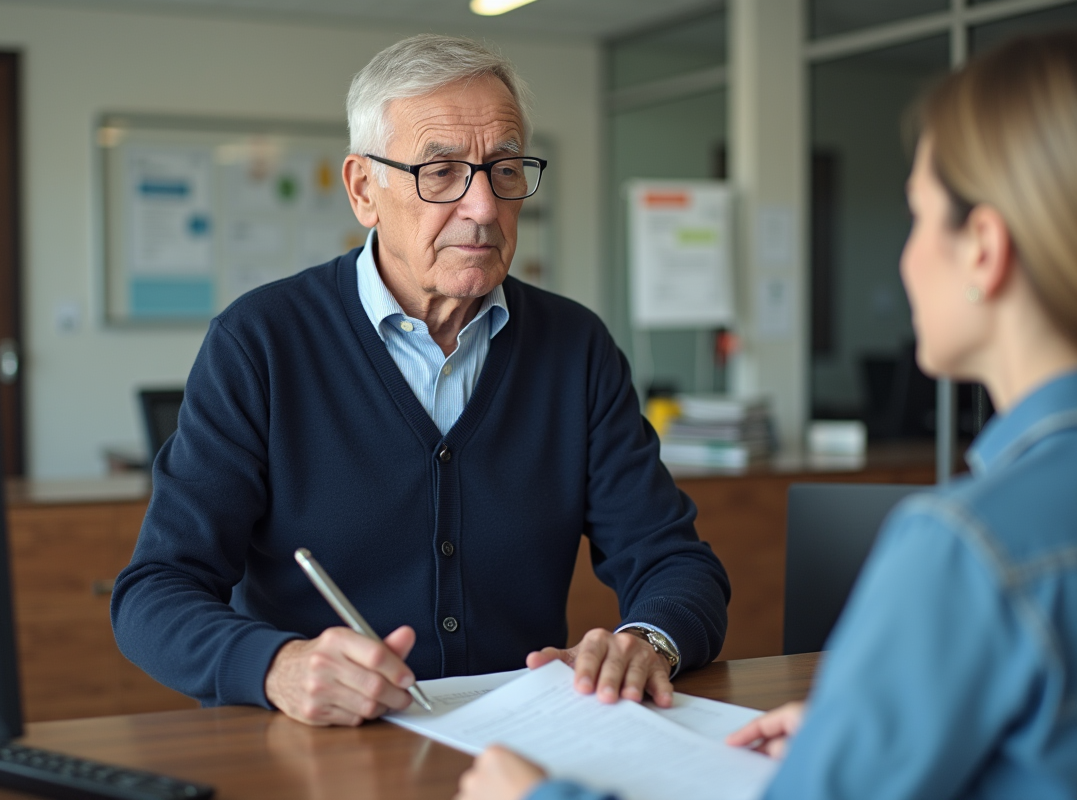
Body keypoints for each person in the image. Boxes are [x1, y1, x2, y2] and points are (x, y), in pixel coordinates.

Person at [455, 28, 1077, 800]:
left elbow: (675, 562)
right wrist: (862, 740)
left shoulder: (971, 549)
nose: (905, 258)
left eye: (918, 218)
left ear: (983, 248)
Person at [111, 34, 730, 728]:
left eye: (504, 169)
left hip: (518, 747)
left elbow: (675, 562)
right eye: (440, 172)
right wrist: (275, 666)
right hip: (316, 751)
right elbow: (154, 593)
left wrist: (646, 640)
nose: (484, 208)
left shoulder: (575, 346)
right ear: (362, 189)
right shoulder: (260, 341)